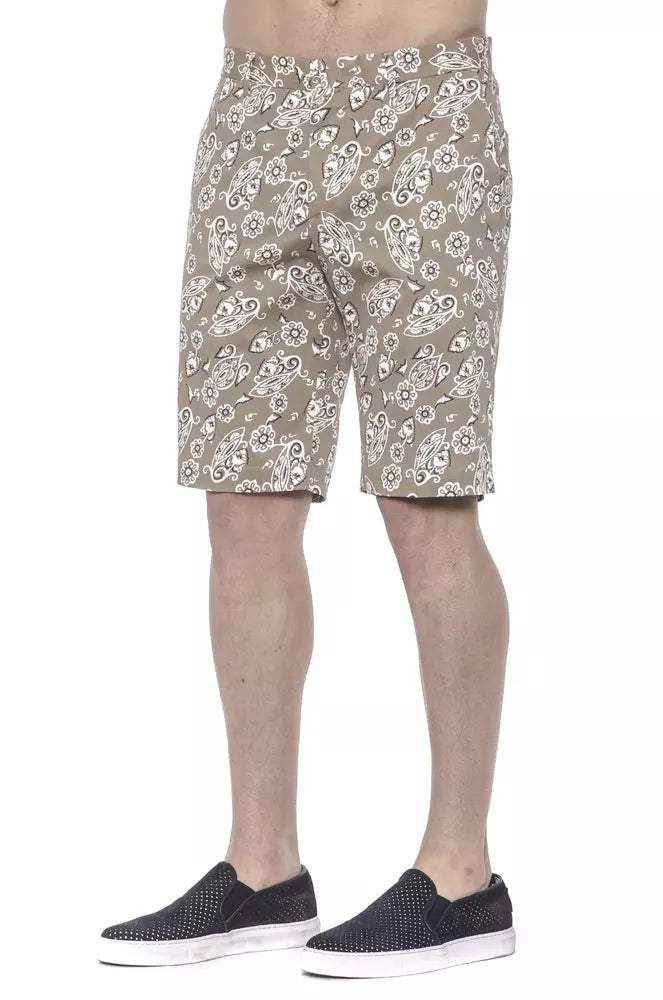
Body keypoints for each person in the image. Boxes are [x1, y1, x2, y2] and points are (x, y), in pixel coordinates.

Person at [99, 0, 514, 978]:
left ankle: (461, 876)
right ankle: (262, 868)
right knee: (242, 499)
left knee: (425, 499)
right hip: (256, 103)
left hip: (422, 102)